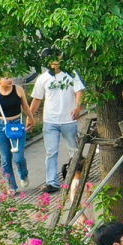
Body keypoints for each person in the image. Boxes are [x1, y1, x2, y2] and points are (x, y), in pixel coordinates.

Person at [33, 57, 86, 193]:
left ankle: (76, 175)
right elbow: (37, 99)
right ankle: (52, 182)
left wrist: (78, 108)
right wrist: (30, 116)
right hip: (50, 121)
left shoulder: (71, 74)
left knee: (74, 150)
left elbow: (79, 91)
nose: (55, 62)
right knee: (51, 152)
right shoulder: (42, 78)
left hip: (68, 119)